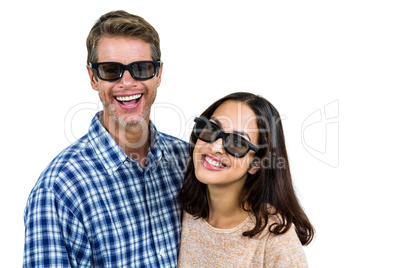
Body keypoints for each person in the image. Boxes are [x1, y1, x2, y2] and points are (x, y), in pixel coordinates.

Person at [23, 10, 188, 267]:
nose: (127, 82)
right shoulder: (58, 190)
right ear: (93, 77)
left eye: (141, 68)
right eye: (111, 70)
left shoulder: (189, 161)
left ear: (158, 74)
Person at [178, 92, 314, 267]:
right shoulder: (182, 211)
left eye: (237, 142)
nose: (216, 146)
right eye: (211, 129)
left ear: (256, 164)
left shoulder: (275, 238)